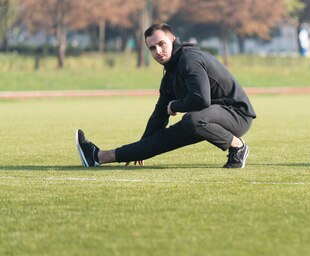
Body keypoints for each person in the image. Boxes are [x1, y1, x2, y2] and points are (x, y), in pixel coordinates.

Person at [76, 23, 256, 169]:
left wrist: (175, 106)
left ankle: (238, 146)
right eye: (152, 48)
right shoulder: (170, 74)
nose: (158, 51)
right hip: (208, 118)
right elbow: (159, 115)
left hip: (237, 115)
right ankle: (97, 156)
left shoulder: (189, 60)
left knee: (192, 120)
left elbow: (201, 99)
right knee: (165, 137)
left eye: (161, 44)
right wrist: (141, 148)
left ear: (172, 39)